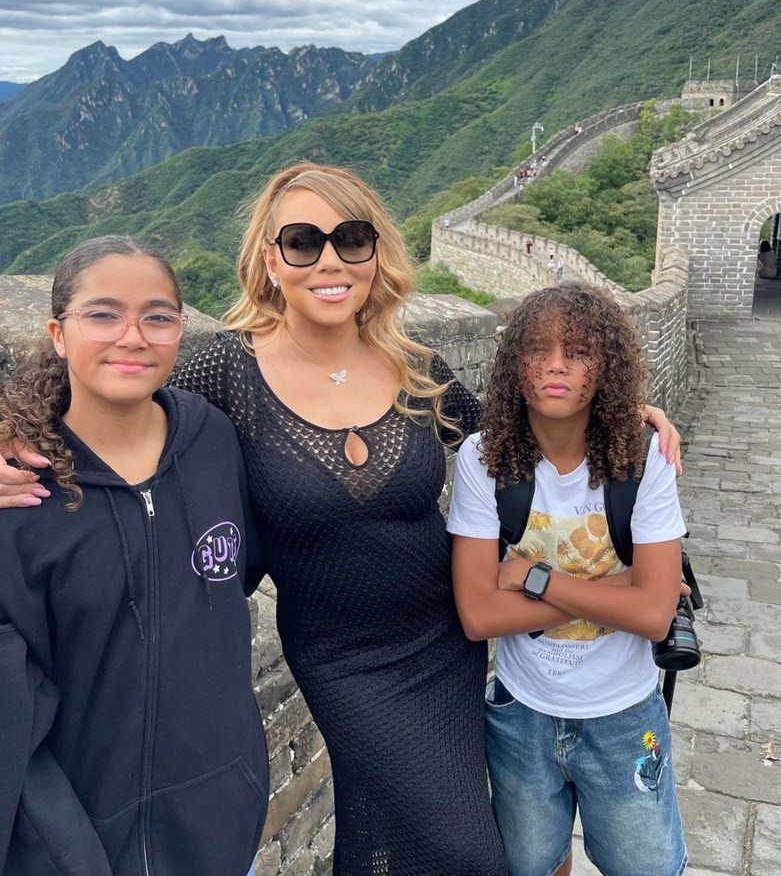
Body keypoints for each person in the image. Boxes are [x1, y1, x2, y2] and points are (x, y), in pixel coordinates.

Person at [0, 164, 682, 875]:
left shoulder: (414, 364)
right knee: (466, 847)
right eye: (301, 241)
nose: (329, 259)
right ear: (270, 260)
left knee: (396, 833)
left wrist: (621, 417)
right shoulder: (228, 370)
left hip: (444, 636)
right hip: (340, 656)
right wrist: (12, 426)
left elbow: (515, 442)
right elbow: (116, 376)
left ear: (374, 253)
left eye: (350, 238)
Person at [0, 236, 269, 876]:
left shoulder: (213, 440)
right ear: (57, 333)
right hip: (79, 845)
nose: (133, 336)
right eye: (102, 314)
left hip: (222, 825)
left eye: (157, 315)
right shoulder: (20, 490)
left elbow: (237, 575)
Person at [447, 282, 688, 876]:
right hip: (521, 710)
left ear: (604, 365)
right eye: (538, 349)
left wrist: (531, 579)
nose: (556, 365)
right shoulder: (484, 460)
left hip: (625, 714)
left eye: (577, 351)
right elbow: (478, 615)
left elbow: (656, 616)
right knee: (534, 864)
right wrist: (620, 593)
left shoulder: (645, 457)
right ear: (514, 363)